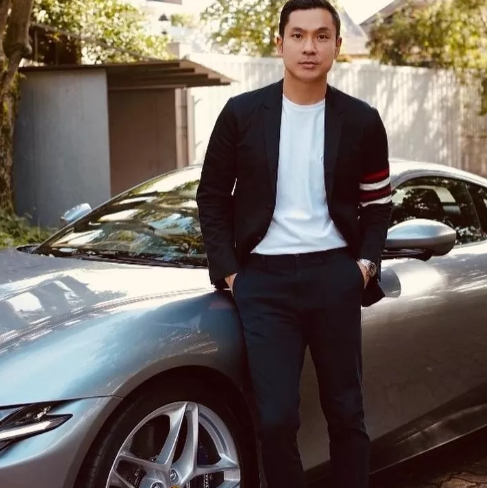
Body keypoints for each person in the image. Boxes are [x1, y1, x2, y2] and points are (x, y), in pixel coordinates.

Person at [196, 0, 393, 486]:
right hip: (263, 282)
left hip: (335, 276)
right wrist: (231, 273)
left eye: (322, 36)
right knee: (275, 418)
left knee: (346, 412)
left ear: (337, 46)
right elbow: (212, 196)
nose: (310, 47)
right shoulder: (242, 114)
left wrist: (364, 266)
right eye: (299, 35)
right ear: (279, 42)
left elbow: (378, 204)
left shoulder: (361, 120)